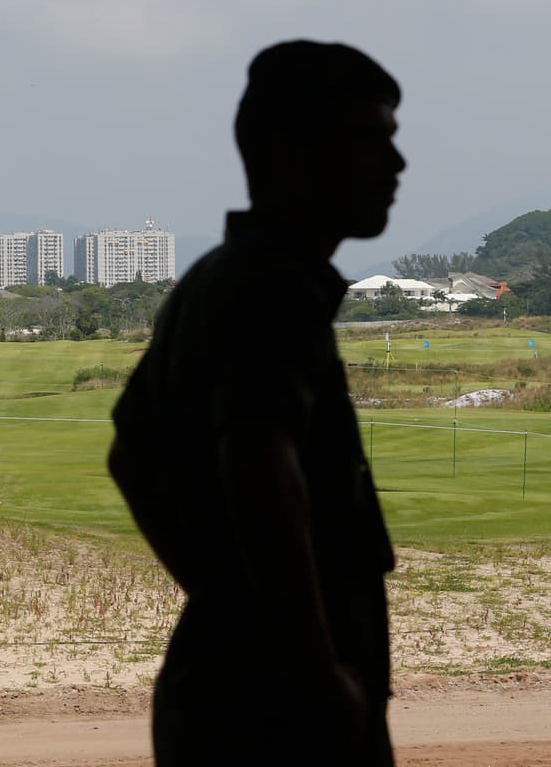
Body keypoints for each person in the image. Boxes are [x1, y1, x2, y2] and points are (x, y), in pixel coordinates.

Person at [107, 40, 405, 766]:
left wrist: (221, 594)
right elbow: (263, 469)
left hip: (233, 682)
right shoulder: (273, 287)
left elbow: (128, 456)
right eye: (370, 139)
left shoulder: (221, 276)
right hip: (280, 710)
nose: (395, 166)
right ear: (288, 152)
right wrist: (310, 665)